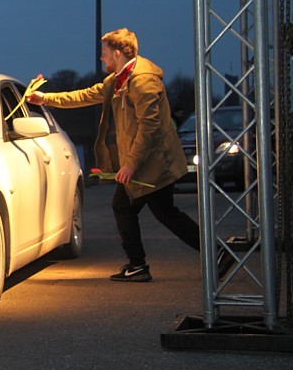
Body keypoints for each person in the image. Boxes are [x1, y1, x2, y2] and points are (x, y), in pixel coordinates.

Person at [26, 28, 234, 282]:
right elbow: (86, 95)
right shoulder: (118, 79)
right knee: (156, 211)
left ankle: (148, 263)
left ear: (116, 53)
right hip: (145, 164)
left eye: (104, 54)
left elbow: (150, 127)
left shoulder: (143, 81)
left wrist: (131, 166)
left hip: (154, 165)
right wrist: (45, 98)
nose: (101, 59)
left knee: (144, 210)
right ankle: (202, 256)